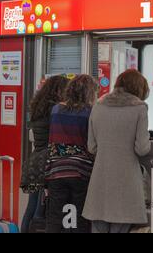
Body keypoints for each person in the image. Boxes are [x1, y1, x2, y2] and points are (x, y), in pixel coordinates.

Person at [83, 69, 151, 233]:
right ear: (139, 88)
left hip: (100, 181)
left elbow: (91, 147)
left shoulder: (98, 105)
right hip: (126, 183)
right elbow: (142, 149)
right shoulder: (140, 108)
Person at [45, 75, 99, 233]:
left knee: (55, 217)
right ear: (89, 92)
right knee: (78, 218)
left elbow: (53, 142)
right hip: (80, 170)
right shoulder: (89, 113)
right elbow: (91, 144)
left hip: (56, 170)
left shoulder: (56, 110)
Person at [20, 75, 69, 233]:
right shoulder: (55, 110)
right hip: (48, 163)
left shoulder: (37, 108)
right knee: (40, 209)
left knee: (32, 206)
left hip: (35, 162)